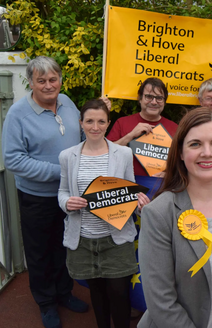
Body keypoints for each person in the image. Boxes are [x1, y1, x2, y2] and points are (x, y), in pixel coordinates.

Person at [138, 107, 212, 328]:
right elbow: (162, 302)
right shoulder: (158, 213)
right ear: (181, 153)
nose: (207, 152)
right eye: (195, 144)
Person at [2, 56, 88, 328]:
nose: (49, 85)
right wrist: (62, 170)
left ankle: (64, 292)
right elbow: (13, 159)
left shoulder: (68, 103)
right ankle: (46, 302)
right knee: (39, 251)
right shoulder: (18, 114)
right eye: (42, 81)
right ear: (32, 83)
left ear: (60, 79)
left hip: (69, 195)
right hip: (37, 197)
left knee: (64, 246)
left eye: (53, 79)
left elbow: (82, 139)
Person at [58, 99, 150, 328]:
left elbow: (130, 187)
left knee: (119, 293)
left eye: (101, 121)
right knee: (96, 293)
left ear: (108, 123)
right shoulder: (67, 156)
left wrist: (137, 200)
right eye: (89, 121)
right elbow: (62, 192)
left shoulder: (123, 153)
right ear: (81, 123)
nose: (95, 127)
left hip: (116, 238)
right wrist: (67, 202)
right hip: (83, 238)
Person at [107, 77, 178, 176]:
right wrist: (131, 136)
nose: (154, 102)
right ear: (140, 99)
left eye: (159, 98)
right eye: (149, 97)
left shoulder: (175, 128)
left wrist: (169, 175)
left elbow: (182, 162)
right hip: (126, 186)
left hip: (161, 188)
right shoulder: (122, 123)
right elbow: (106, 154)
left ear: (164, 102)